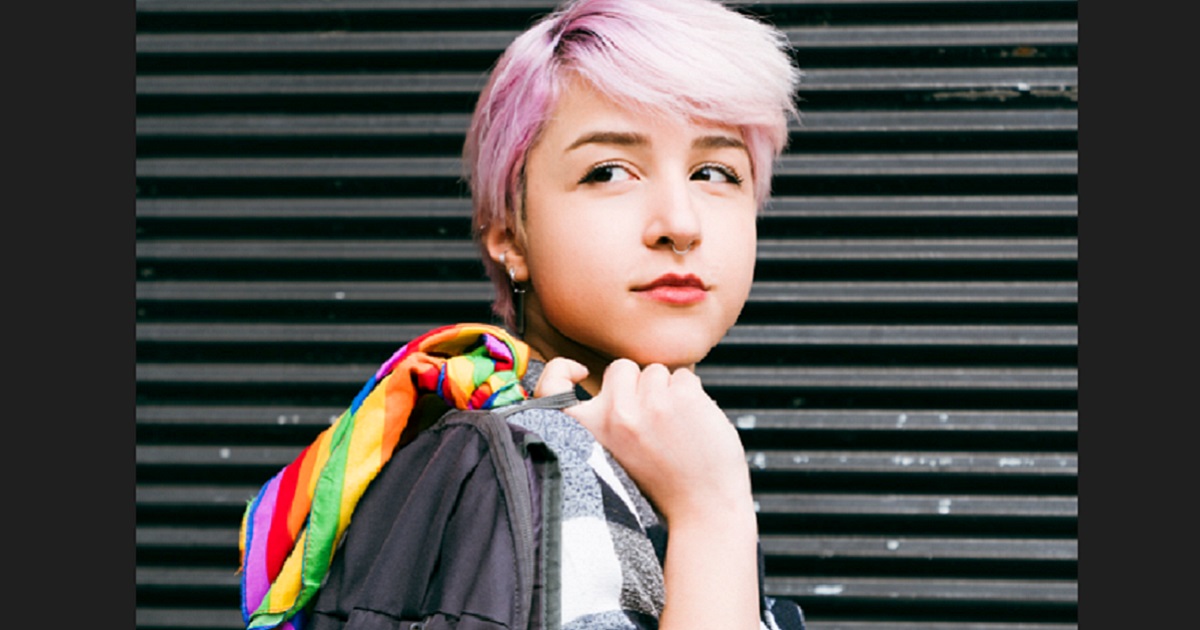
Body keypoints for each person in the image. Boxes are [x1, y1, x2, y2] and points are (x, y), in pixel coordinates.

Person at [238, 0, 804, 628]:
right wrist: (712, 512)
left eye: (715, 171)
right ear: (509, 234)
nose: (679, 223)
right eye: (609, 171)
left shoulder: (632, 448)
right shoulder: (547, 463)